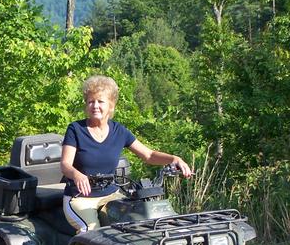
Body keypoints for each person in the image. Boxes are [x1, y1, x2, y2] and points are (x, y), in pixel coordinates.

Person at [61, 75, 192, 233]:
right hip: (80, 198)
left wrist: (174, 159)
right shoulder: (76, 129)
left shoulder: (119, 131)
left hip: (110, 196)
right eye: (91, 101)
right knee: (91, 231)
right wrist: (77, 175)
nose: (95, 106)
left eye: (100, 101)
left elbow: (148, 155)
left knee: (134, 223)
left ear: (111, 105)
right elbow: (65, 165)